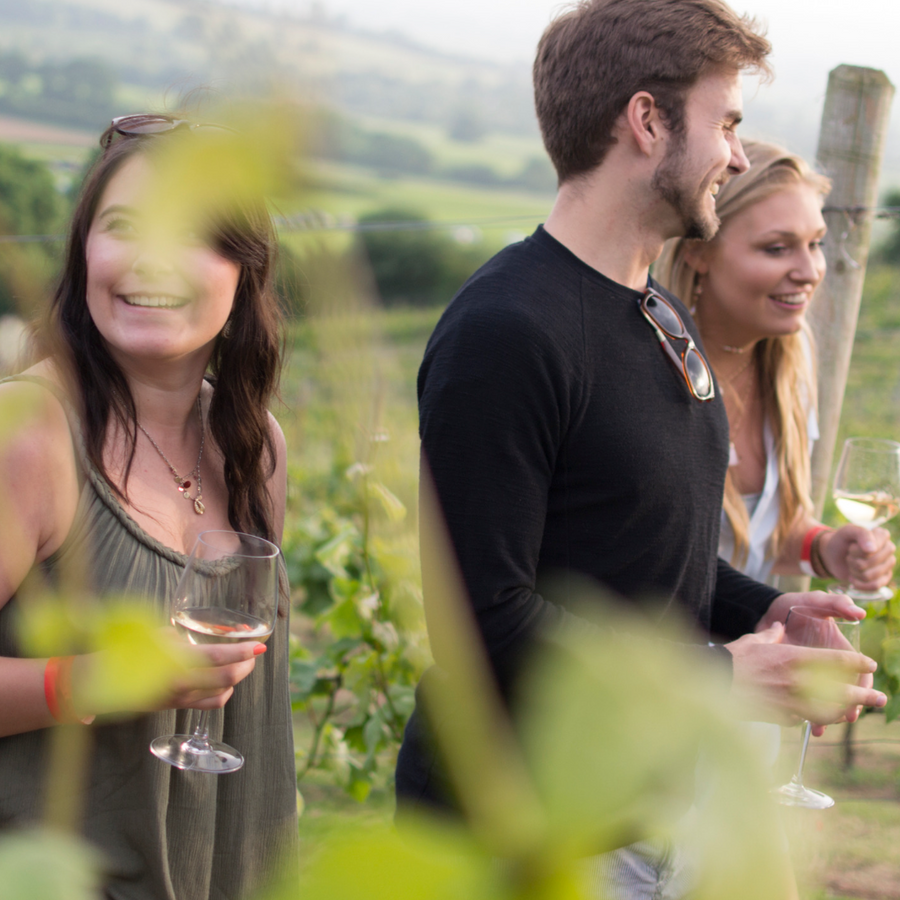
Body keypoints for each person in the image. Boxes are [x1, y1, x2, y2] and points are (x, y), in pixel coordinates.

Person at [395, 2, 887, 897]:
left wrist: (764, 613)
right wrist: (714, 677)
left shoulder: (657, 312)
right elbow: (482, 618)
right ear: (647, 121)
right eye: (725, 122)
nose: (737, 155)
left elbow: (648, 547)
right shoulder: (507, 331)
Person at [0, 114, 297, 900]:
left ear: (244, 270)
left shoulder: (255, 449)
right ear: (83, 253)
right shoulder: (29, 437)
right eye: (124, 226)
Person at [656, 140, 895, 590]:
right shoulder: (651, 370)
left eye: (816, 244)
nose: (809, 271)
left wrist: (826, 549)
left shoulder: (791, 355)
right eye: (777, 248)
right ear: (697, 251)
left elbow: (759, 533)